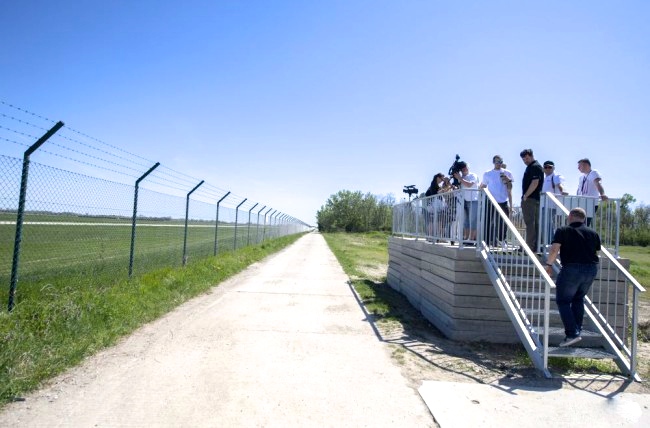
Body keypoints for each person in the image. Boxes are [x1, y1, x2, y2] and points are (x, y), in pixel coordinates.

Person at [544, 207, 601, 347]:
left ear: (570, 216)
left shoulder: (563, 230)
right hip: (591, 269)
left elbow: (554, 249)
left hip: (572, 269)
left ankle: (572, 334)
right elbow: (596, 252)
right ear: (584, 218)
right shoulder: (593, 233)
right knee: (578, 299)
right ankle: (576, 331)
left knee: (563, 301)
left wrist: (549, 265)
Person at [480, 155, 514, 247]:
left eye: (500, 161)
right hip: (490, 201)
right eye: (497, 161)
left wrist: (508, 181)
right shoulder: (488, 173)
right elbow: (483, 186)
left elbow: (510, 188)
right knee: (488, 221)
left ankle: (502, 240)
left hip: (503, 201)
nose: (499, 163)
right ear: (493, 162)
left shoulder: (507, 173)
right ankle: (486, 242)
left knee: (503, 222)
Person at [519, 149, 544, 252]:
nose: (525, 161)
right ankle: (535, 246)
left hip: (531, 199)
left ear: (532, 156)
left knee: (530, 223)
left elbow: (535, 182)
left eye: (527, 158)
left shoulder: (535, 166)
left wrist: (526, 195)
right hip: (534, 199)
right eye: (523, 159)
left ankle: (529, 246)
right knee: (534, 223)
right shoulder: (532, 166)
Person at [540, 160, 568, 246]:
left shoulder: (556, 176)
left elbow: (560, 185)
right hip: (544, 205)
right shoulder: (544, 178)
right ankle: (548, 243)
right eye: (546, 167)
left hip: (551, 205)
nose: (548, 169)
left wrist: (563, 191)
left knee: (547, 225)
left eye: (550, 167)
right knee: (546, 225)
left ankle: (550, 244)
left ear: (553, 168)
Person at [576, 158, 608, 226]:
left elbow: (598, 183)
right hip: (581, 203)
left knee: (585, 224)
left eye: (580, 166)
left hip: (591, 203)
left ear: (586, 165)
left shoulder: (594, 173)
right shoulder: (581, 177)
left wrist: (602, 194)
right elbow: (579, 190)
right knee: (578, 223)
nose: (578, 168)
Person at [453, 161, 479, 242]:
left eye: (465, 167)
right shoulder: (460, 178)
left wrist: (460, 178)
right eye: (462, 168)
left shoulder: (473, 175)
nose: (464, 169)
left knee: (473, 220)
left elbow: (469, 185)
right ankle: (466, 239)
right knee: (466, 221)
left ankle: (471, 239)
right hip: (464, 201)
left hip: (473, 200)